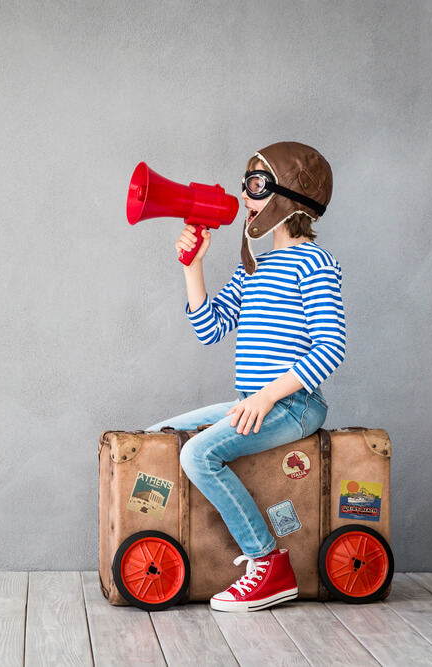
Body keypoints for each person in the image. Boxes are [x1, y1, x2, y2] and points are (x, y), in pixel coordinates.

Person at [146, 142, 345, 612]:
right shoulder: (252, 267)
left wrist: (266, 398)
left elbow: (330, 348)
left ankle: (267, 564)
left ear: (288, 195)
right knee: (163, 434)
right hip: (255, 401)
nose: (244, 195)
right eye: (246, 183)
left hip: (293, 406)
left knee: (198, 454)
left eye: (255, 185)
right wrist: (192, 266)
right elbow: (209, 328)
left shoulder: (316, 264)